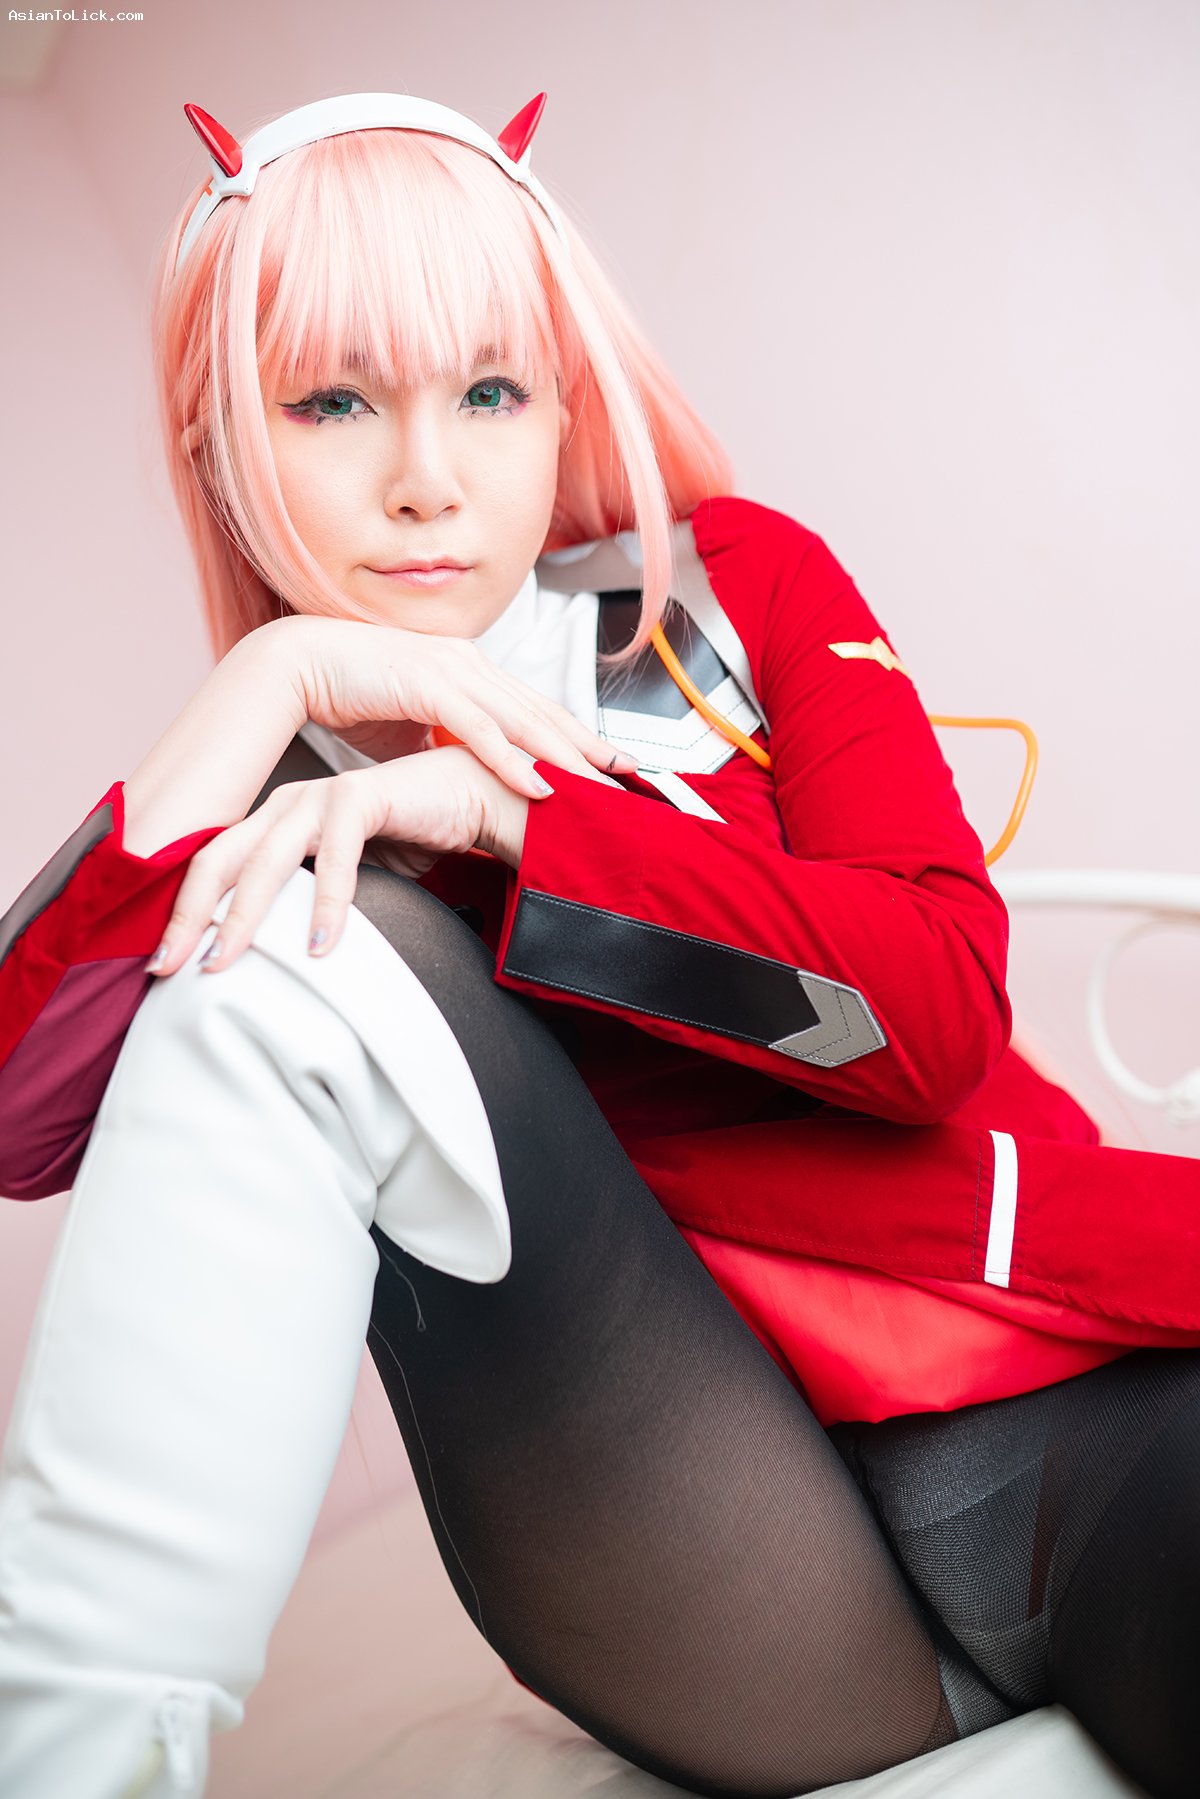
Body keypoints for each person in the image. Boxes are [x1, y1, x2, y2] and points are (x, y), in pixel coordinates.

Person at [0, 88, 1198, 1799]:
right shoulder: (266, 801)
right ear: (219, 446)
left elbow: (932, 1019)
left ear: (565, 400)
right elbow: (15, 1118)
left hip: (1055, 1395)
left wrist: (522, 822)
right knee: (299, 942)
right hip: (703, 1554)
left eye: (489, 391)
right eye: (331, 402)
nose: (426, 482)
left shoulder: (735, 590)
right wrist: (271, 680)